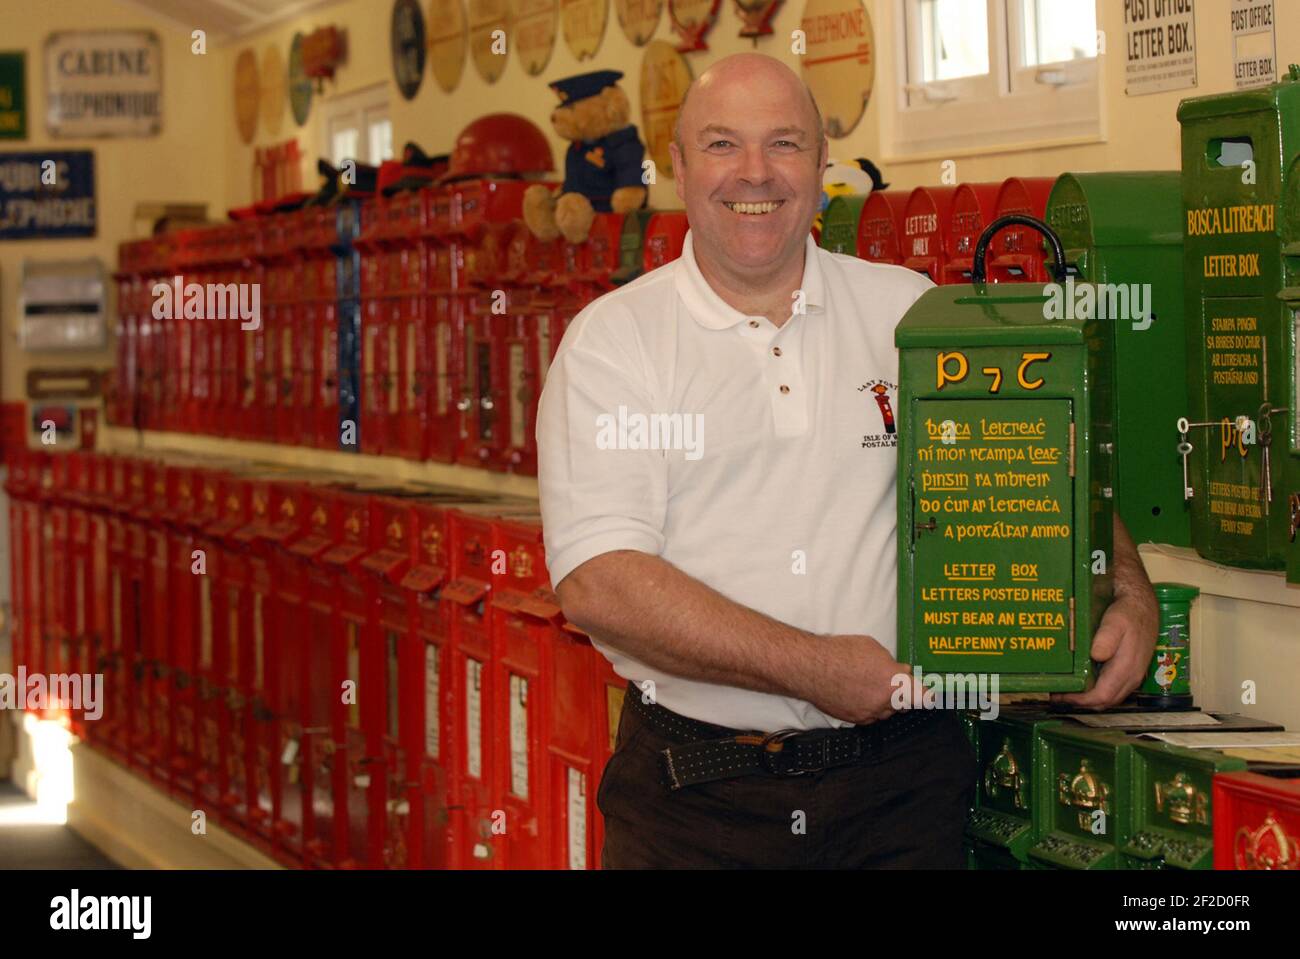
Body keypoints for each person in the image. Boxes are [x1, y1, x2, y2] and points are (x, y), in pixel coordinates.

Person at [536, 53, 1158, 868]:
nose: (755, 173)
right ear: (679, 169)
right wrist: (813, 666)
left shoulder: (905, 309)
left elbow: (1046, 454)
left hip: (902, 789)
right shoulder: (615, 342)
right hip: (697, 800)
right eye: (722, 144)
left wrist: (1129, 589)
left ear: (822, 166)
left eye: (785, 144)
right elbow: (600, 579)